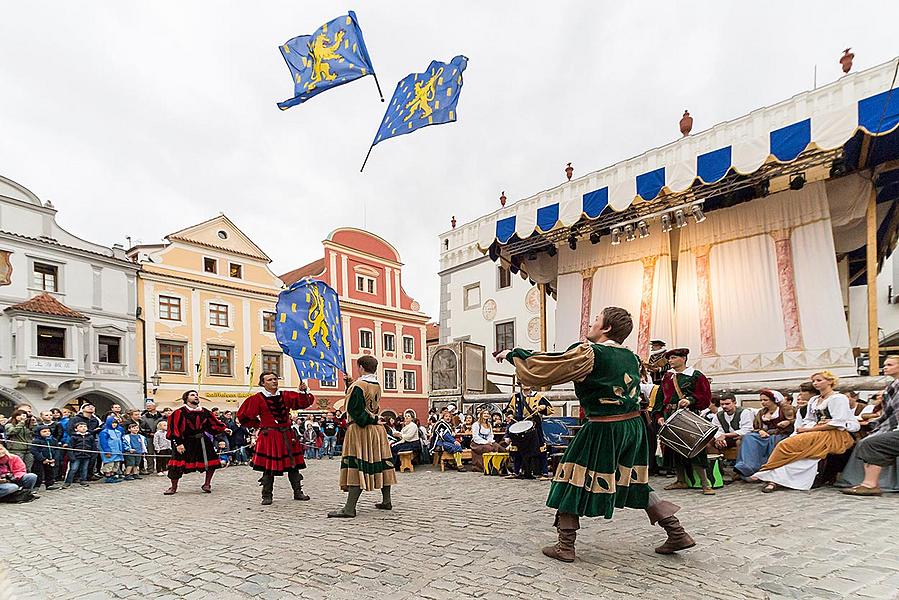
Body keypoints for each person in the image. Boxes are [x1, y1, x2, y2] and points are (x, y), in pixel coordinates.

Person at [497, 306, 694, 562]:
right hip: (633, 426)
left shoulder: (591, 353)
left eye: (596, 320)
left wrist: (514, 355)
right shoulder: (632, 357)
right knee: (634, 479)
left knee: (570, 477)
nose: (591, 323)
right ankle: (676, 531)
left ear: (607, 328)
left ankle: (565, 546)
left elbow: (548, 365)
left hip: (604, 426)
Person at [753, 371, 858, 492]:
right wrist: (807, 428)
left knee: (785, 445)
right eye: (814, 381)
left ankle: (767, 470)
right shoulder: (814, 399)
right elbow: (808, 419)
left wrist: (809, 429)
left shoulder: (838, 398)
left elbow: (838, 423)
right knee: (796, 449)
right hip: (817, 432)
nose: (815, 383)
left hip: (835, 435)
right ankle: (774, 479)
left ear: (830, 381)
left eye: (819, 380)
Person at [328, 355, 397, 518]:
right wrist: (349, 385)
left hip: (360, 430)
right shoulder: (377, 384)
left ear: (360, 367)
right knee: (381, 463)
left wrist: (351, 387)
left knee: (356, 465)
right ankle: (386, 500)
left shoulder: (358, 385)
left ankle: (349, 508)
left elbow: (355, 410)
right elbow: (365, 403)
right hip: (377, 431)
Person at [237, 372, 314, 505]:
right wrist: (259, 424)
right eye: (270, 379)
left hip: (287, 435)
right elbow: (243, 416)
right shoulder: (256, 399)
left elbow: (305, 402)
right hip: (270, 436)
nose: (274, 381)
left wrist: (303, 391)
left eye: (275, 379)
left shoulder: (285, 395)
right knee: (269, 467)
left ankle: (298, 492)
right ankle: (267, 495)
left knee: (293, 465)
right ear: (263, 383)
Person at [656, 347, 714, 495]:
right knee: (674, 449)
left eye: (674, 358)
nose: (670, 361)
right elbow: (661, 397)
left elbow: (705, 397)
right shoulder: (667, 376)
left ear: (683, 359)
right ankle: (680, 480)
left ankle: (705, 483)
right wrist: (659, 415)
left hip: (688, 415)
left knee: (696, 448)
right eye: (669, 358)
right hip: (670, 414)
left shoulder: (696, 375)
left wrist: (690, 400)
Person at [841, 355, 899, 496]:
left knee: (872, 443)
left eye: (890, 365)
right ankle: (869, 484)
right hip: (893, 427)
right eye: (885, 365)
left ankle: (870, 485)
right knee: (869, 441)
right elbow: (889, 413)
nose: (885, 367)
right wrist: (875, 424)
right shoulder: (893, 385)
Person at [164, 390, 227, 495]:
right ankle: (173, 487)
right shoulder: (179, 412)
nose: (196, 396)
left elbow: (213, 425)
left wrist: (223, 431)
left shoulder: (205, 412)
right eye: (193, 395)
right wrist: (178, 443)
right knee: (176, 465)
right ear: (186, 398)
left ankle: (207, 484)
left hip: (202, 441)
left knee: (211, 462)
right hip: (185, 442)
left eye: (197, 395)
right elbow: (174, 429)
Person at [733, 390, 794, 480]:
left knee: (774, 441)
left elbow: (796, 420)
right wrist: (760, 431)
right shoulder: (762, 412)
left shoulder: (785, 410)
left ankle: (767, 469)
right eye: (761, 400)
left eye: (766, 400)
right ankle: (747, 467)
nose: (763, 402)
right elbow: (756, 426)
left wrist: (788, 422)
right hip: (764, 435)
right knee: (749, 437)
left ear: (774, 400)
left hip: (780, 434)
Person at [507, 385, 553, 479]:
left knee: (540, 448)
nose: (525, 385)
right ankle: (516, 471)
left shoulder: (538, 396)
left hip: (534, 425)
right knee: (516, 449)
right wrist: (510, 415)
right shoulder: (516, 397)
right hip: (519, 425)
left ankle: (544, 472)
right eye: (523, 382)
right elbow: (509, 409)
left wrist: (542, 408)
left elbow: (550, 409)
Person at [67, 403, 103, 481]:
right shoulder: (75, 419)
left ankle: (88, 475)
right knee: (77, 461)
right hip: (78, 441)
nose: (91, 408)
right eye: (88, 406)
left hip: (90, 441)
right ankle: (75, 477)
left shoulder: (95, 420)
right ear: (82, 409)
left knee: (91, 459)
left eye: (92, 406)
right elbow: (70, 430)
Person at [64, 421, 97, 488]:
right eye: (81, 427)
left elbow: (93, 447)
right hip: (76, 456)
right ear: (76, 429)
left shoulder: (90, 437)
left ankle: (83, 481)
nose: (83, 428)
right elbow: (70, 447)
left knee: (84, 469)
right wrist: (71, 456)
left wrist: (93, 455)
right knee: (73, 469)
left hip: (86, 455)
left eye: (85, 426)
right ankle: (67, 482)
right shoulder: (73, 437)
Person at [30, 423, 61, 490]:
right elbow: (34, 451)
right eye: (44, 431)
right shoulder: (36, 441)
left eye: (48, 431)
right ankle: (37, 485)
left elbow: (57, 449)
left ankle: (49, 484)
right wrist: (43, 459)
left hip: (50, 459)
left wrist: (54, 458)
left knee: (50, 472)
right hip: (40, 460)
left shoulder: (53, 440)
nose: (47, 433)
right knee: (39, 472)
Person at [140, 400, 165, 474]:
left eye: (149, 405)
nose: (148, 407)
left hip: (160, 437)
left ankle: (161, 468)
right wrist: (149, 433)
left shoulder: (161, 416)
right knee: (149, 453)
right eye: (147, 406)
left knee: (161, 452)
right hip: (149, 437)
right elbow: (142, 428)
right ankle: (150, 468)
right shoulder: (144, 417)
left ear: (154, 407)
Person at [98, 416, 125, 483]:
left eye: (115, 423)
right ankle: (108, 477)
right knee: (109, 464)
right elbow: (103, 442)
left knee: (116, 465)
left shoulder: (118, 432)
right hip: (110, 452)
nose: (114, 425)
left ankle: (113, 476)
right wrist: (107, 451)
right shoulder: (105, 432)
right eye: (113, 423)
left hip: (117, 451)